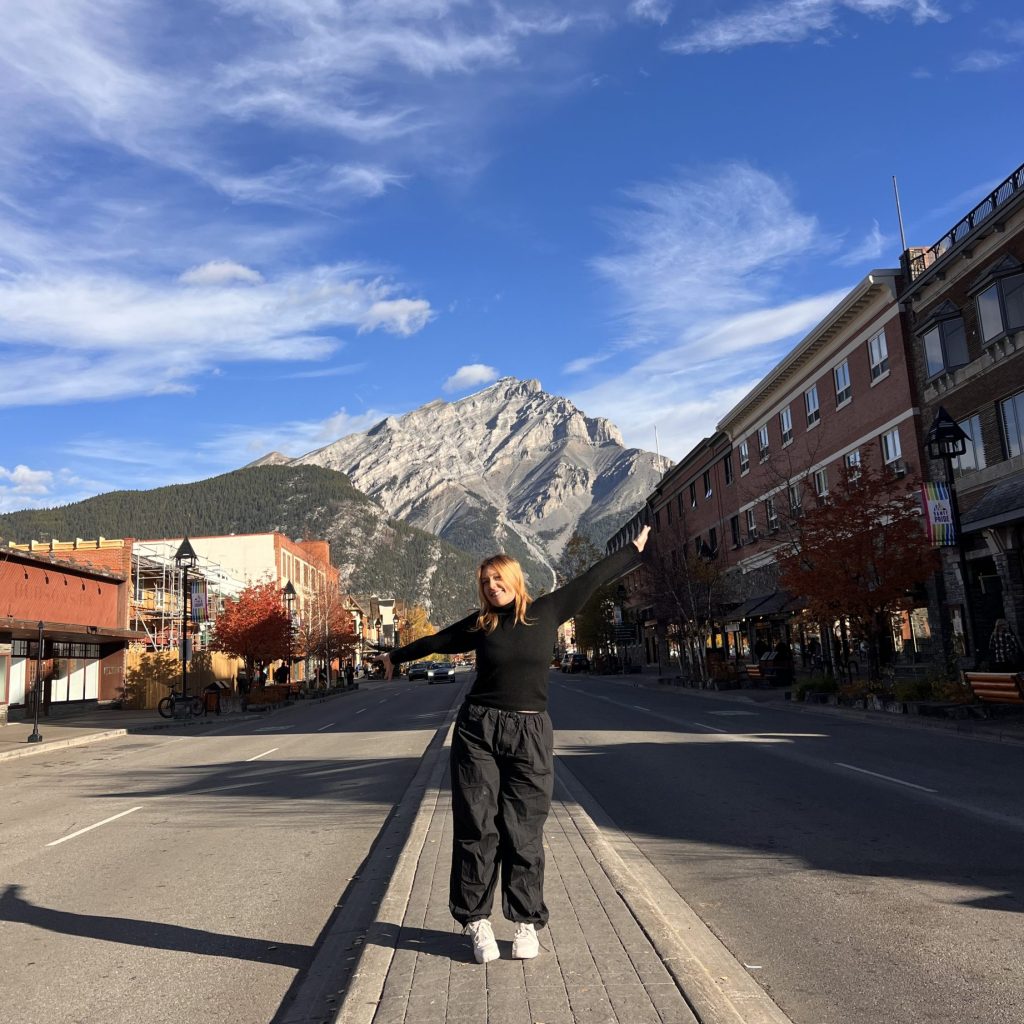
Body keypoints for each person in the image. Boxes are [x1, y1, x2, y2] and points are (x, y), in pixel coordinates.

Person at [381, 526, 649, 964]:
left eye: (497, 578)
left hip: (530, 732)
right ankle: (476, 921)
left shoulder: (548, 610)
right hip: (478, 731)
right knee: (477, 827)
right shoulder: (481, 624)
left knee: (524, 830)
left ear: (515, 579)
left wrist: (632, 552)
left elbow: (591, 580)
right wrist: (395, 657)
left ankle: (526, 921)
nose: (491, 586)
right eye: (485, 582)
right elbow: (438, 641)